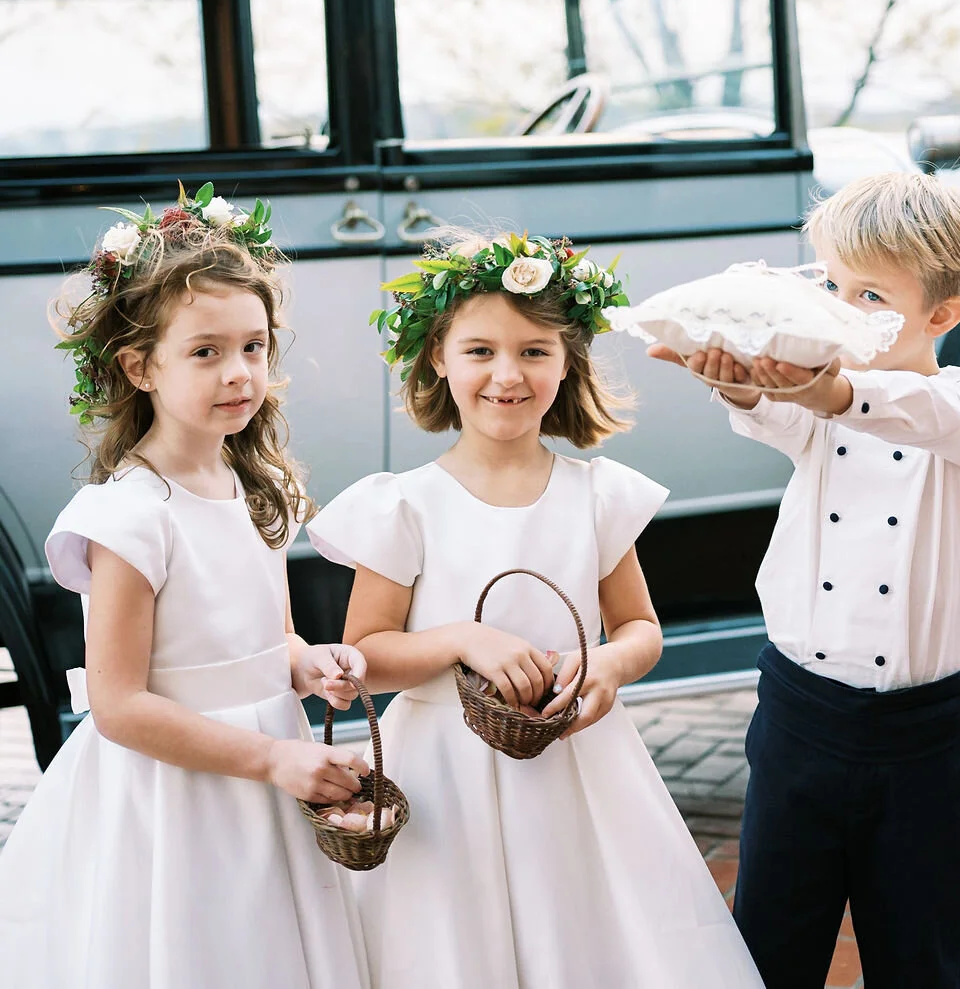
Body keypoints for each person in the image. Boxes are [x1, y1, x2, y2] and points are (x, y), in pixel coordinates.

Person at [307, 231, 765, 989]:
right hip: (444, 779)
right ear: (437, 360)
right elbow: (366, 656)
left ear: (567, 361)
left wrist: (606, 665)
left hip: (579, 768)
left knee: (587, 938)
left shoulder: (596, 494)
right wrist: (462, 637)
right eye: (480, 350)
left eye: (534, 350)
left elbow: (641, 629)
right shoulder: (405, 505)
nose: (507, 374)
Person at [652, 172, 960, 989]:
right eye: (830, 285)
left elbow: (918, 412)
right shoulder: (818, 405)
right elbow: (778, 410)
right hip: (798, 721)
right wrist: (742, 378)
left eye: (868, 294)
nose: (839, 308)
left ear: (943, 314)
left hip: (921, 742)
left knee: (921, 957)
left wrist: (836, 389)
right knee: (769, 949)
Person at [0, 185, 371, 989]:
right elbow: (119, 703)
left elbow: (271, 639)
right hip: (176, 797)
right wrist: (273, 757)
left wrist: (310, 665)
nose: (238, 372)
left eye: (254, 346)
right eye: (205, 351)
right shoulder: (131, 515)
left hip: (268, 775)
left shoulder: (255, 482)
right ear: (140, 365)